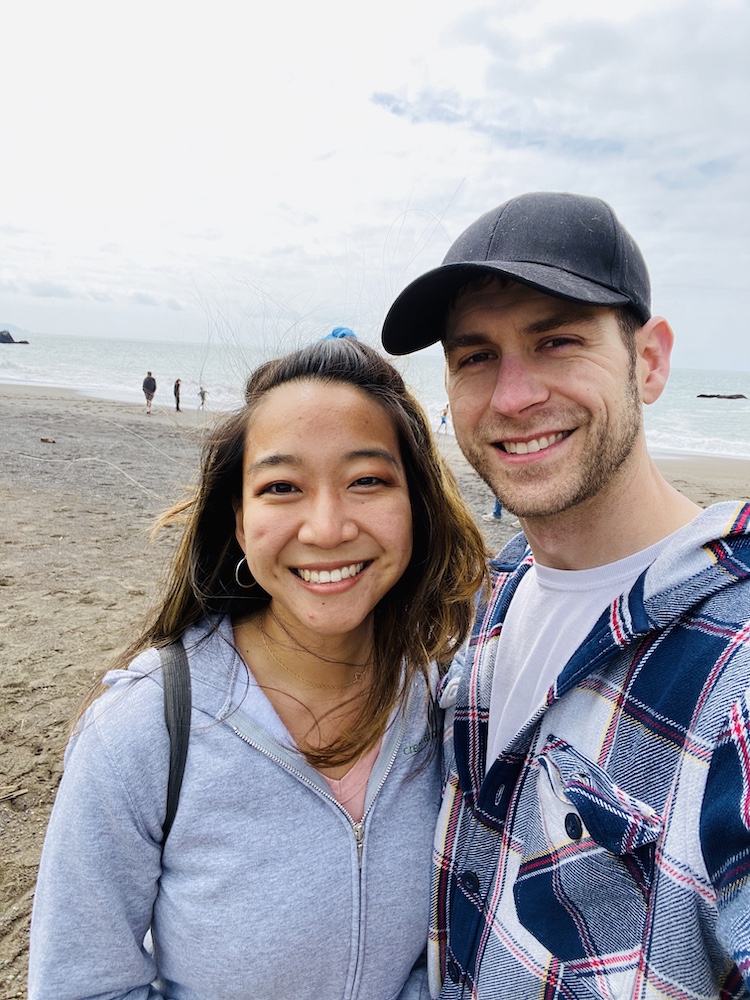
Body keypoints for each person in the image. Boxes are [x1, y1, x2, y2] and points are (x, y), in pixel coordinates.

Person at [28, 337, 487, 1000]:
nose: (327, 527)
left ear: (414, 505)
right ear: (239, 523)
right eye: (281, 487)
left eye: (366, 480)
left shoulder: (445, 701)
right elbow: (80, 983)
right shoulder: (145, 731)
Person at [381, 191, 750, 998]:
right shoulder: (491, 602)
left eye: (556, 341)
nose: (513, 397)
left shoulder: (736, 671)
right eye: (475, 356)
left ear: (648, 362)